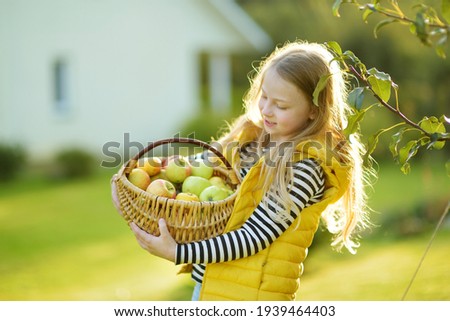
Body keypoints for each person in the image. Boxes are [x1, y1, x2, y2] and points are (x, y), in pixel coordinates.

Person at [111, 40, 374, 301]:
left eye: (281, 105)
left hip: (253, 296)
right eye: (264, 97)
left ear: (313, 112)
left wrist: (178, 252)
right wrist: (135, 181)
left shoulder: (305, 167)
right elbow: (197, 166)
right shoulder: (253, 139)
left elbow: (254, 236)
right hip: (210, 287)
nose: (266, 110)